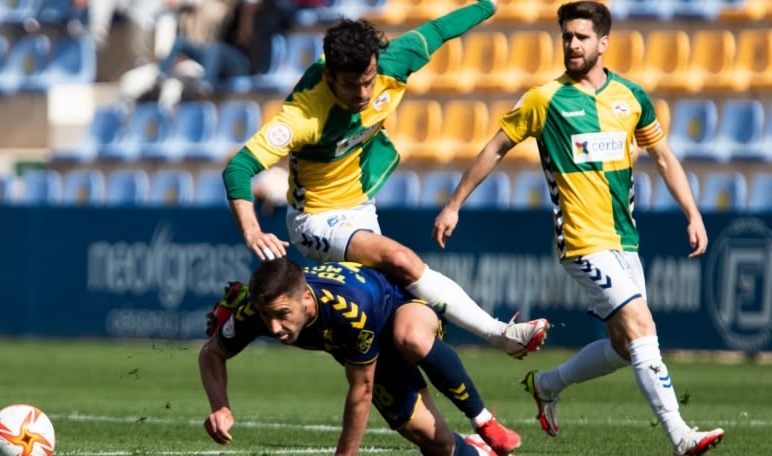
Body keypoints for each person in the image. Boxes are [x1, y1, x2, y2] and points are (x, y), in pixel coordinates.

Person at [431, 2, 724, 455]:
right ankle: (681, 436)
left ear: (603, 43)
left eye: (581, 37)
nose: (572, 44)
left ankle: (547, 384)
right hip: (582, 243)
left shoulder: (631, 97)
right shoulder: (544, 99)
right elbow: (495, 149)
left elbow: (664, 158)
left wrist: (693, 213)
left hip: (625, 241)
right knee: (643, 324)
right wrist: (453, 204)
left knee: (626, 347)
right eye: (567, 36)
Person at [220, 0, 550, 362]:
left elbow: (441, 30)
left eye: (368, 81)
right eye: (351, 85)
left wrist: (491, 4)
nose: (363, 94)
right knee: (401, 260)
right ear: (329, 76)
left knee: (394, 323)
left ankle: (243, 304)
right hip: (315, 217)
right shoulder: (303, 114)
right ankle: (501, 334)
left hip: (361, 208)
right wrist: (252, 232)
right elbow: (238, 167)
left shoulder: (393, 62)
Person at [199, 258, 520, 455]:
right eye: (267, 317)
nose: (275, 327)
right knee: (434, 443)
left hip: (400, 308)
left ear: (306, 298)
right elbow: (211, 353)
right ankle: (477, 453)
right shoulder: (258, 311)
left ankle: (483, 420)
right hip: (366, 347)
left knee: (409, 338)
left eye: (283, 314)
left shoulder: (347, 310)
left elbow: (361, 392)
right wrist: (220, 408)